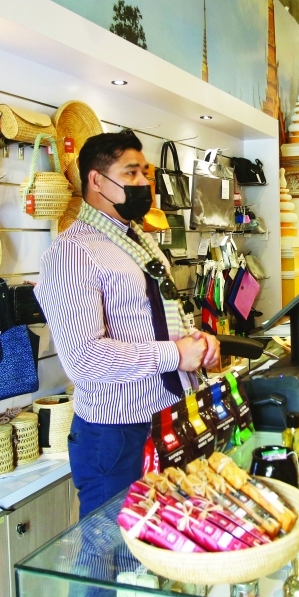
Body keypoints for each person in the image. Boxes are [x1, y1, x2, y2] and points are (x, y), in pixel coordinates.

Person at [37, 131, 220, 517]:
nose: (143, 183)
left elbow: (157, 317)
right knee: (113, 549)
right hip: (118, 435)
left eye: (145, 173)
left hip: (167, 417)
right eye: (131, 173)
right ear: (97, 180)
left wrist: (196, 342)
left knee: (164, 538)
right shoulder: (72, 254)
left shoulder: (139, 241)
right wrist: (175, 355)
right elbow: (84, 359)